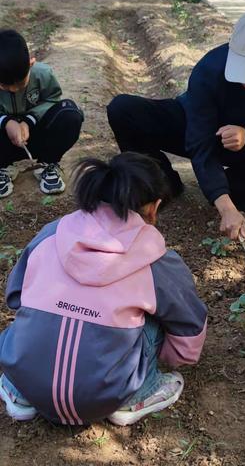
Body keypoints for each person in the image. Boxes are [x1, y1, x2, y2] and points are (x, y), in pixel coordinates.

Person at [0, 152, 207, 426]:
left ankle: (19, 395)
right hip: (105, 393)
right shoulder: (157, 260)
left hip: (25, 377)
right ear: (153, 208)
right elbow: (188, 326)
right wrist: (173, 358)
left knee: (32, 318)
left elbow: (15, 297)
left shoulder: (51, 233)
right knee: (156, 318)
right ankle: (139, 394)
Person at [107, 12, 245, 240]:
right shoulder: (209, 70)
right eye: (243, 69)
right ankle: (163, 184)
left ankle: (233, 193)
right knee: (123, 109)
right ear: (231, 50)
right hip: (198, 127)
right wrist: (226, 209)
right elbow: (199, 143)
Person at [0, 29, 83, 198]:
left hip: (37, 137)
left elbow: (53, 99)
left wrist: (29, 121)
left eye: (20, 84)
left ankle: (48, 163)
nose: (13, 90)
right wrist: (6, 122)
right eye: (4, 86)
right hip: (4, 141)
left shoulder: (43, 74)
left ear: (31, 64)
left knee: (70, 113)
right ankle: (2, 166)